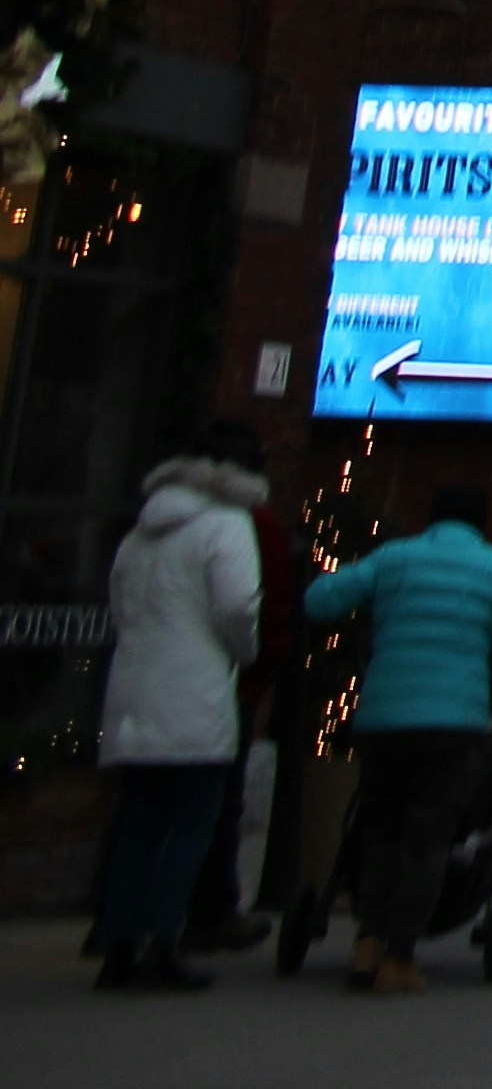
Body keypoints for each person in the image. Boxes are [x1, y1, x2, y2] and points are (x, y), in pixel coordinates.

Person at [304, 477, 492, 997]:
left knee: (379, 829)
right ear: (480, 523)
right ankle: (400, 956)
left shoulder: (394, 557)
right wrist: (490, 672)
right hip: (455, 722)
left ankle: (367, 941)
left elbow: (321, 599)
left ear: (430, 517)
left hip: (385, 716)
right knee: (428, 837)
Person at [90, 420, 265, 993]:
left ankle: (118, 947)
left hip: (133, 692)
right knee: (191, 827)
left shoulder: (139, 533)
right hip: (196, 693)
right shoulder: (228, 524)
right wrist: (244, 652)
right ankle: (162, 943)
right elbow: (238, 607)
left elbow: (120, 606)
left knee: (139, 824)